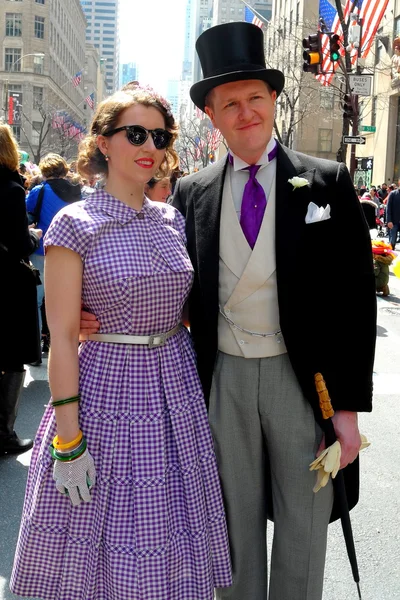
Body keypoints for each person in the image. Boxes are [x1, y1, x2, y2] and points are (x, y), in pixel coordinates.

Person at [170, 22, 375, 600]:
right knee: (231, 529)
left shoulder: (328, 183)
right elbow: (171, 284)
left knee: (304, 527)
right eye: (229, 102)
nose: (245, 112)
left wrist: (349, 410)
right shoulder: (192, 191)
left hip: (303, 380)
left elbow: (356, 304)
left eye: (255, 97)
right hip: (225, 378)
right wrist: (101, 320)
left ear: (274, 99)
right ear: (211, 114)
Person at [11, 85, 231, 600]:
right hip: (105, 388)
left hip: (174, 392)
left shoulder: (172, 219)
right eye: (135, 132)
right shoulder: (74, 224)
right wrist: (69, 441)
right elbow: (62, 338)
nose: (149, 144)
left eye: (159, 135)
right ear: (103, 143)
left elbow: (184, 310)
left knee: (172, 528)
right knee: (100, 529)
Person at [0, 124, 42, 455]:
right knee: (12, 358)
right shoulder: (11, 190)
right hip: (7, 286)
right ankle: (4, 433)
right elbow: (19, 245)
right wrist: (33, 236)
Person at [26, 153, 81, 360]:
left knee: (38, 298)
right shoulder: (78, 192)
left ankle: (36, 349)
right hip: (73, 252)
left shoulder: (38, 191)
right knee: (70, 300)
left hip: (42, 250)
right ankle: (70, 344)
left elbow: (27, 215)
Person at [386, 178, 400, 249]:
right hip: (394, 222)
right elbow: (388, 208)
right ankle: (391, 255)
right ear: (399, 182)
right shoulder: (393, 194)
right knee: (392, 241)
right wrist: (389, 221)